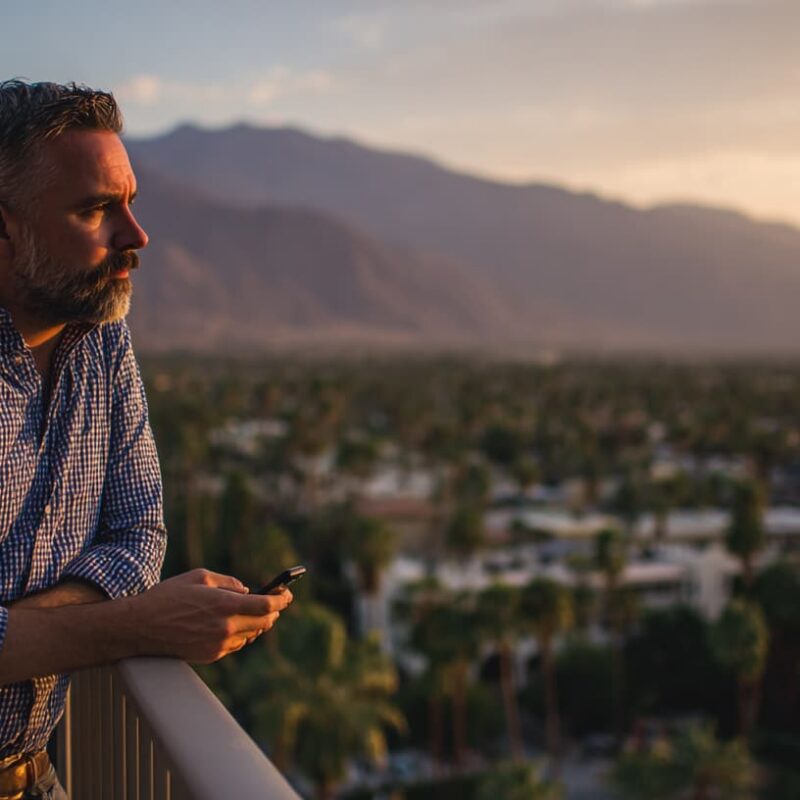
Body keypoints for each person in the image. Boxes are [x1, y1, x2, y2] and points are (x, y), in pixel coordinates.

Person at [0, 80, 292, 799]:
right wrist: (134, 624)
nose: (136, 236)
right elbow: (131, 581)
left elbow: (139, 535)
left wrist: (14, 632)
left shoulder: (103, 344)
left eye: (130, 202)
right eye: (96, 209)